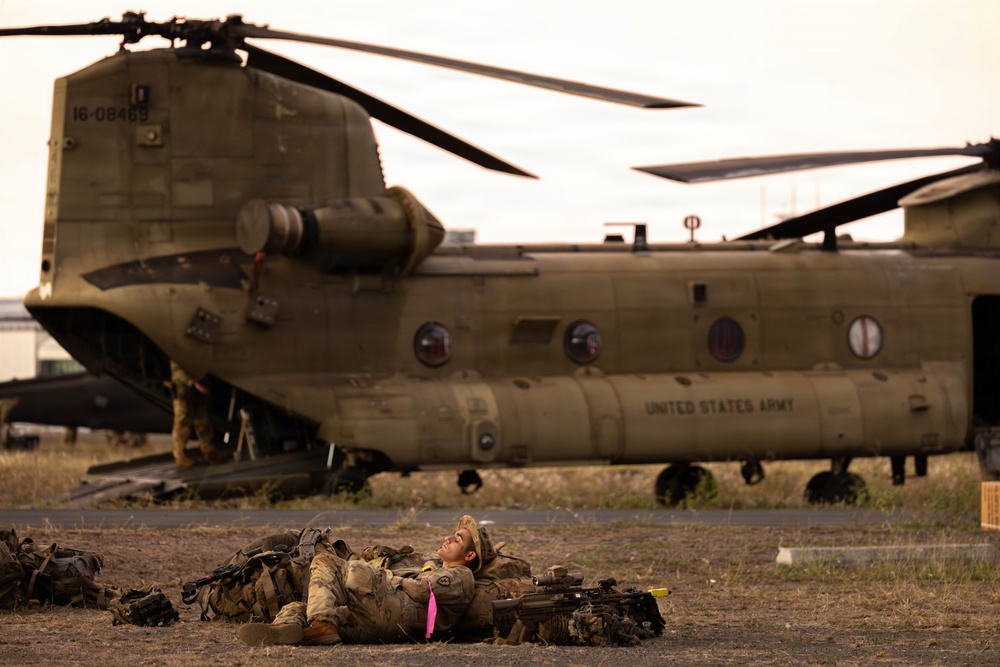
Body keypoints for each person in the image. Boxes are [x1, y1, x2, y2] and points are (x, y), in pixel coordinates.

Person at [238, 515, 492, 646]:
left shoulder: (463, 575)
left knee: (327, 562)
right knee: (300, 607)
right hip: (382, 621)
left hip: (400, 616)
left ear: (469, 555)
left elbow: (425, 590)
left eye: (457, 539)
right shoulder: (432, 565)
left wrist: (390, 578)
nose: (448, 538)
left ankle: (320, 624)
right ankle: (288, 628)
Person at [169, 360, 225, 466]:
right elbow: (177, 371)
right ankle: (179, 455)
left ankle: (209, 451)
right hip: (183, 393)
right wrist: (194, 382)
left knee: (202, 422)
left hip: (196, 392)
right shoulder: (176, 351)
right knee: (182, 424)